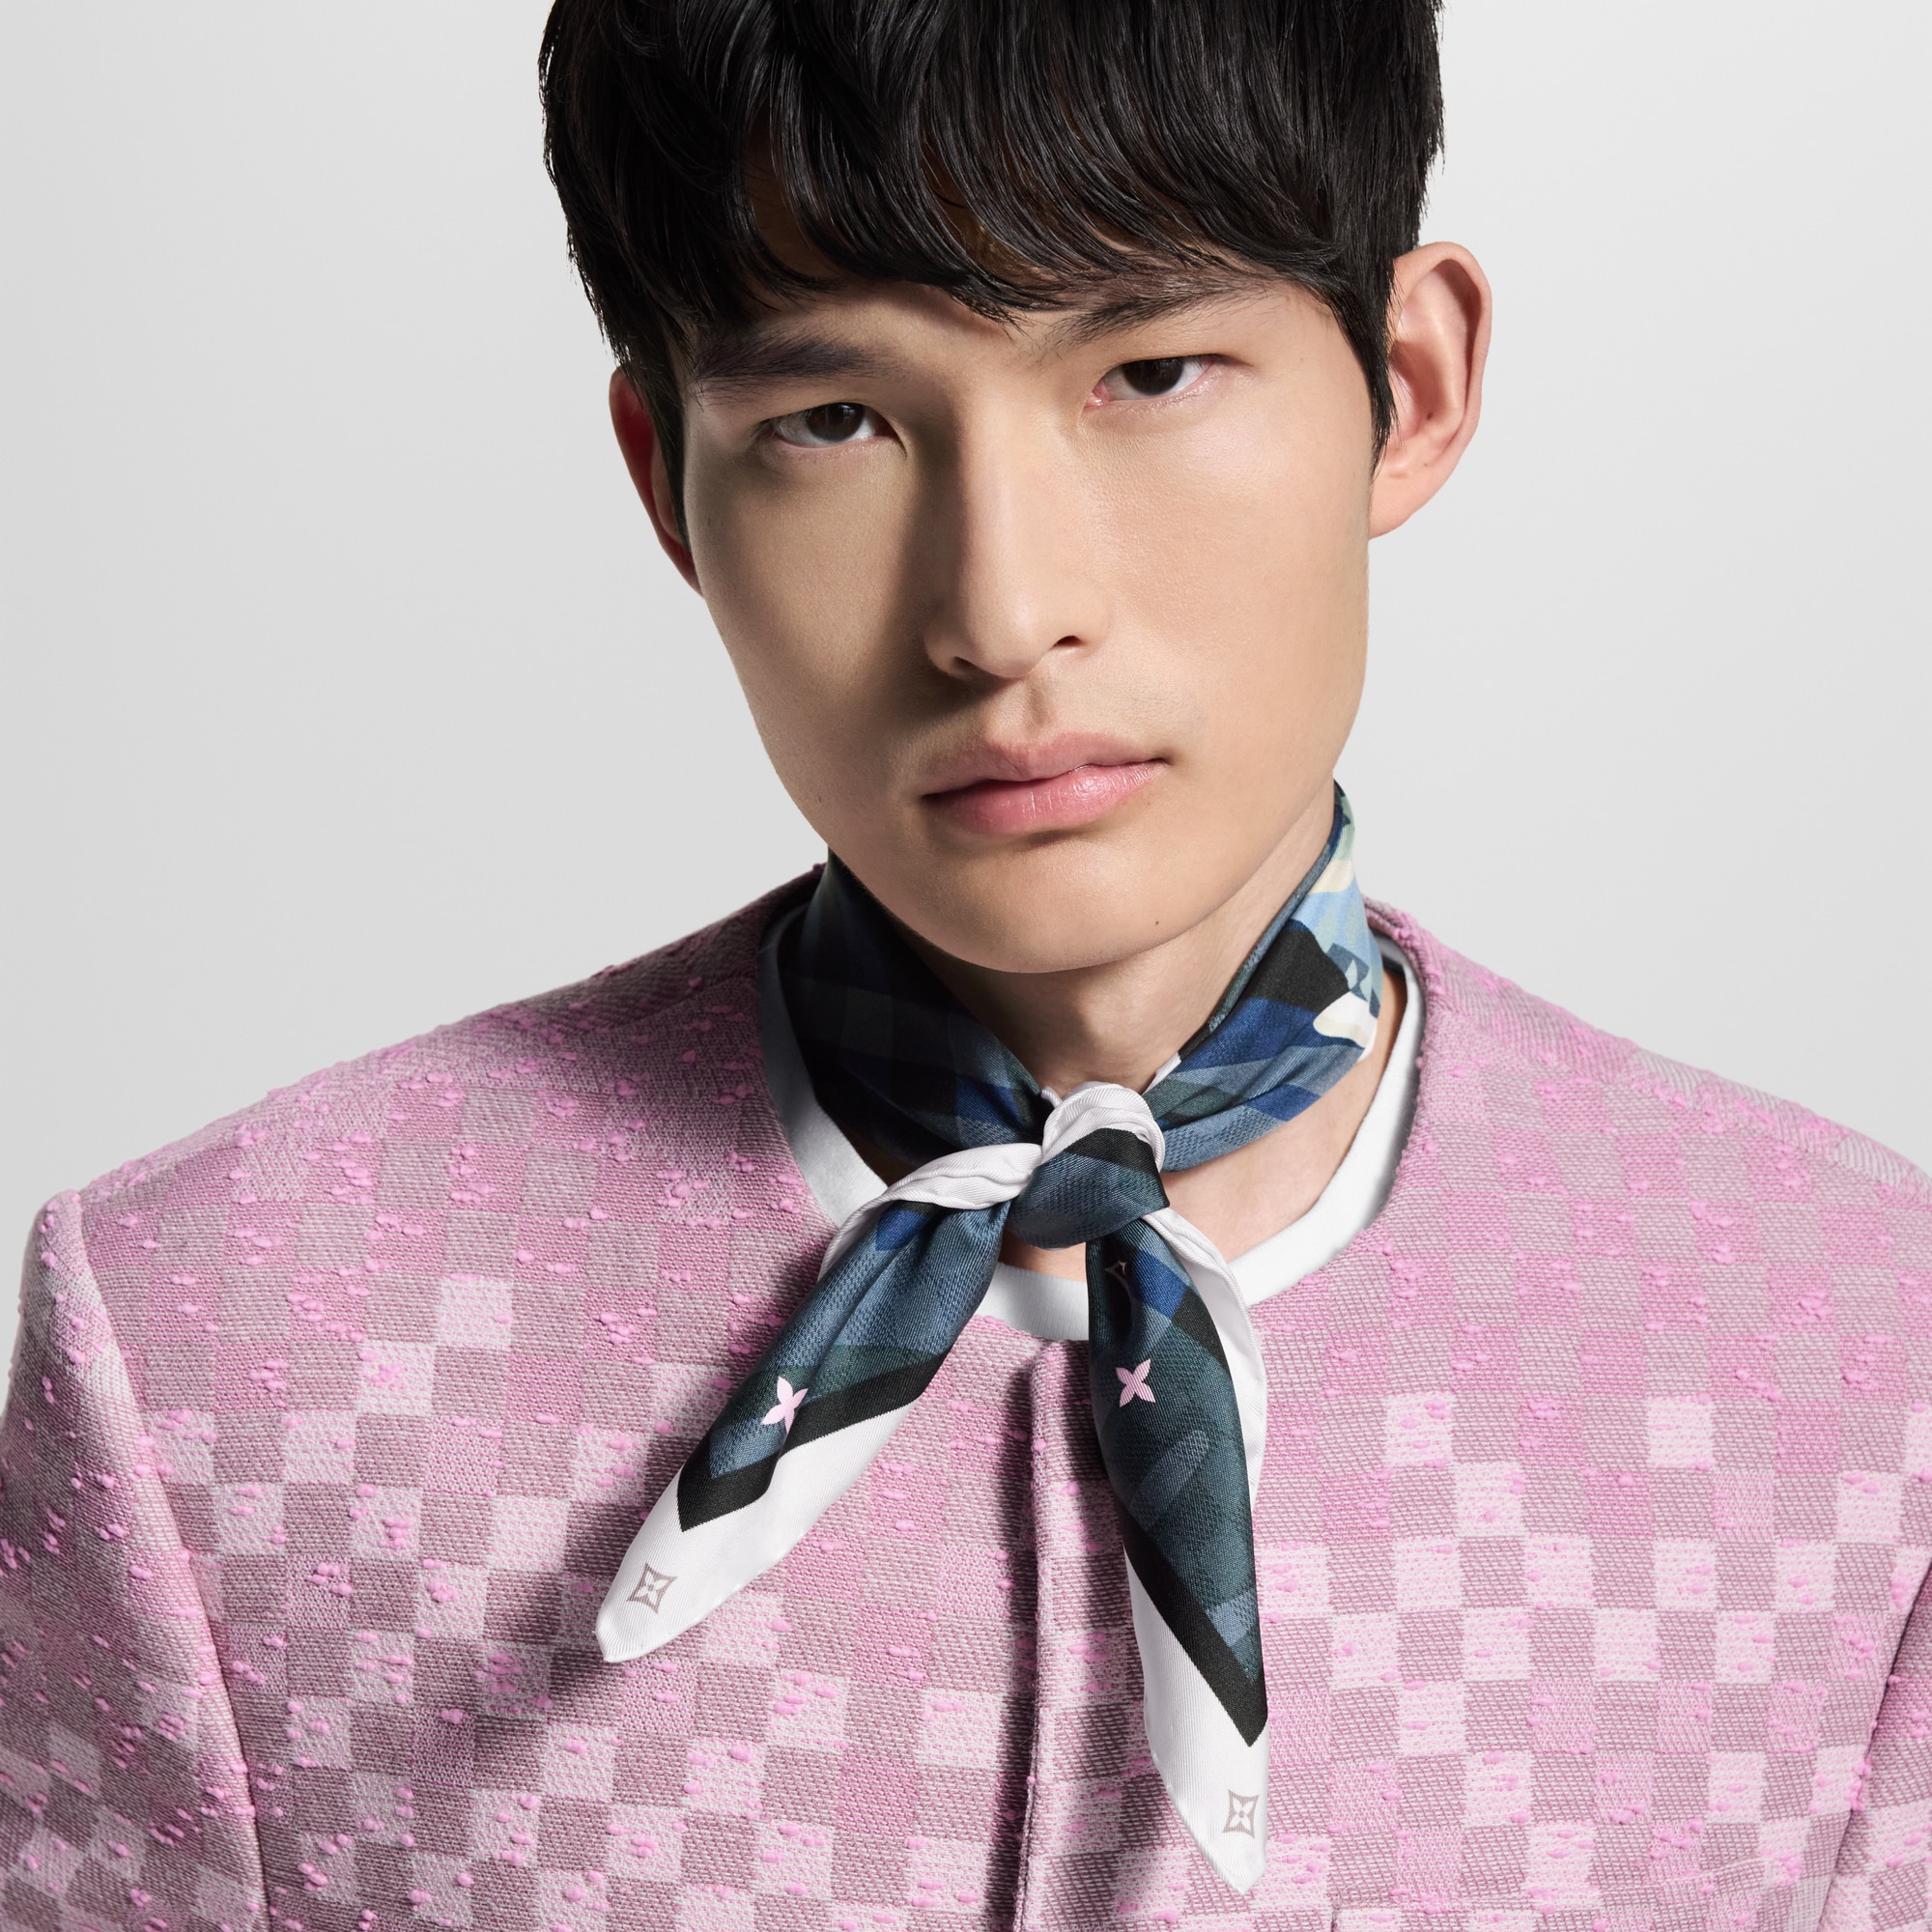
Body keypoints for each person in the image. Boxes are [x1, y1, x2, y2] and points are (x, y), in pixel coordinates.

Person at [4, 1, 1926, 1928]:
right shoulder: (221, 1346)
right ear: (668, 483)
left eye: (1151, 372)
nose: (1002, 612)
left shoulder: (1855, 1364)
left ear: (1405, 386)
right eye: (832, 421)